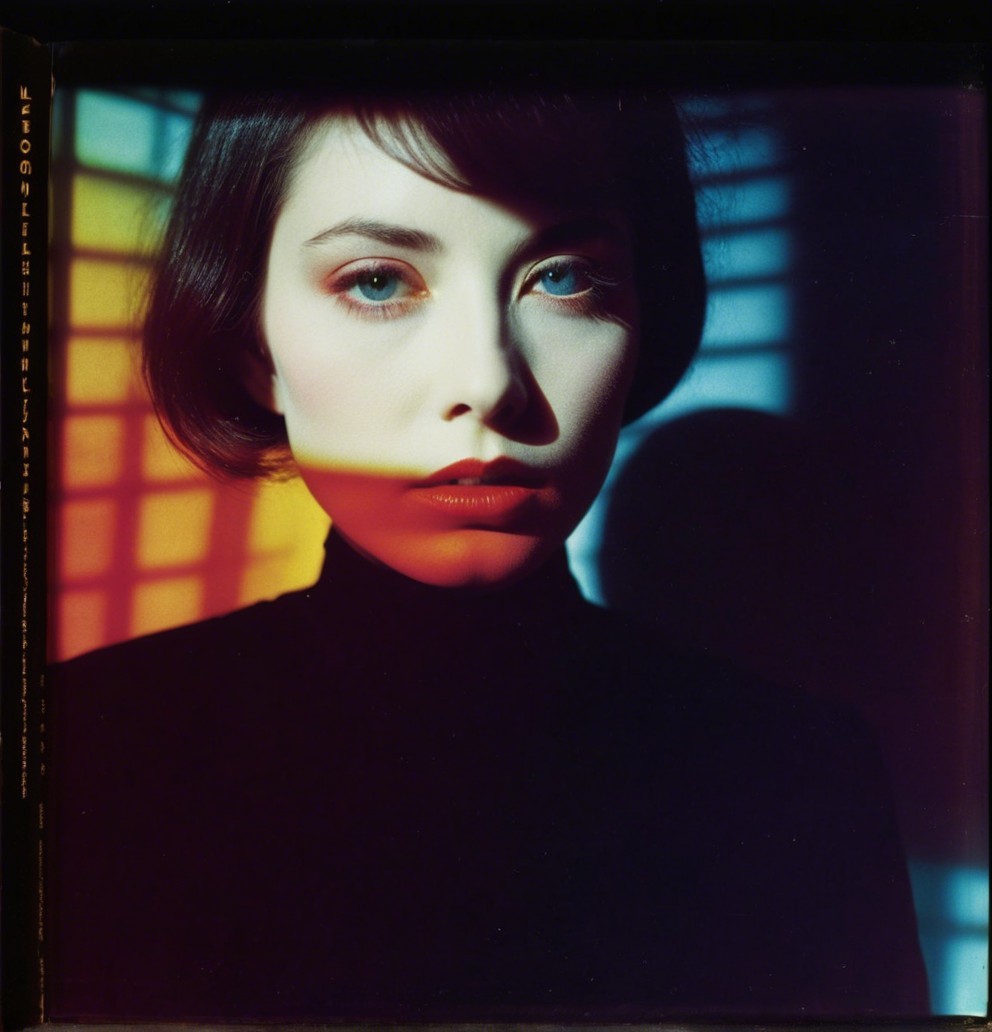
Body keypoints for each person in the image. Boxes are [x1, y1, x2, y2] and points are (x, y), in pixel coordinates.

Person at [47, 87, 929, 1022]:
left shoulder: (798, 775)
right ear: (253, 342)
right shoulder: (82, 752)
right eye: (378, 281)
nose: (488, 381)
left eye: (564, 278)